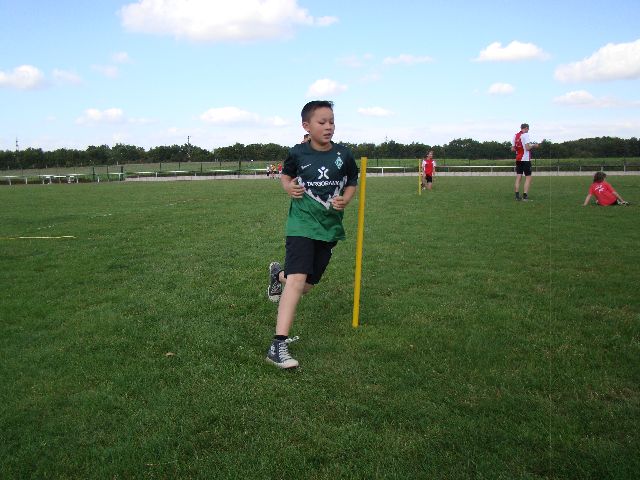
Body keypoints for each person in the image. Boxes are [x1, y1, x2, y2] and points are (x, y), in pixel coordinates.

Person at [265, 100, 359, 369]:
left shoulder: (344, 154)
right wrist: (288, 187)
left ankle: (277, 275)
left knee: (304, 286)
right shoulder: (297, 153)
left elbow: (352, 181)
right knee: (297, 281)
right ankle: (277, 345)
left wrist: (346, 199)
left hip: (329, 228)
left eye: (332, 121)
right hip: (301, 224)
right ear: (306, 126)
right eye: (322, 122)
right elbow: (286, 175)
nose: (329, 126)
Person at [511, 123, 539, 201]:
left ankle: (517, 196)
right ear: (526, 128)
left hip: (518, 159)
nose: (528, 130)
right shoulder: (525, 135)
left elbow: (512, 149)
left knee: (518, 177)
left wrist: (519, 149)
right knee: (528, 177)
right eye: (528, 129)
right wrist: (534, 145)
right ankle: (525, 196)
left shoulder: (515, 136)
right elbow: (527, 148)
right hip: (525, 159)